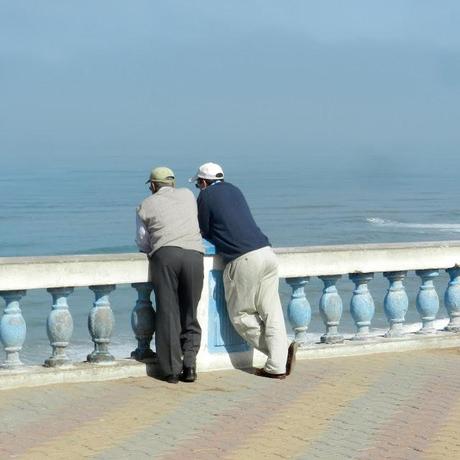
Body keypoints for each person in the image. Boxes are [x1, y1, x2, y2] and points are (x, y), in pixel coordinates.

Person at [190, 162, 297, 379]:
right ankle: (278, 362)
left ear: (203, 182)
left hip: (243, 258)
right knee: (271, 312)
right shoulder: (235, 190)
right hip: (266, 252)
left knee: (240, 315)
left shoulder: (206, 197)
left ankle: (279, 355)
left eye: (198, 184)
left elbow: (203, 230)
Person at [136, 166, 204, 384]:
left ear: (153, 186)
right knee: (190, 312)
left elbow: (143, 242)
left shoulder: (145, 205)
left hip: (165, 256)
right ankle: (190, 366)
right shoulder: (188, 195)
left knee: (168, 312)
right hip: (194, 255)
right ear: (172, 183)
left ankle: (171, 371)